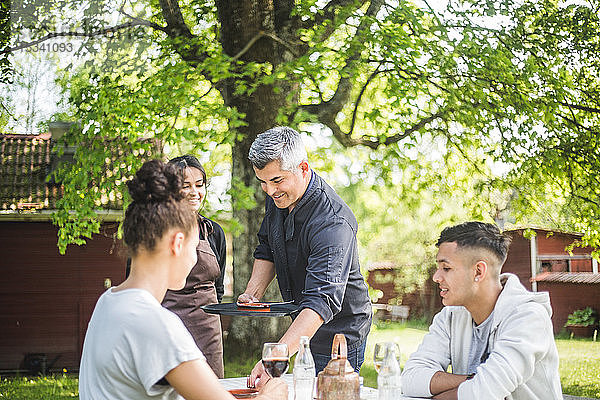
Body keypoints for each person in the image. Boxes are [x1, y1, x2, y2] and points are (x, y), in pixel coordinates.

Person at [79, 160, 286, 400]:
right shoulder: (156, 324)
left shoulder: (108, 303)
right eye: (194, 245)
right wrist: (273, 394)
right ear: (178, 243)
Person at [239, 126, 372, 387]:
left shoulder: (333, 221)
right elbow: (267, 246)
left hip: (339, 333)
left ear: (303, 168)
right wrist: (253, 293)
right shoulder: (278, 197)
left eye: (276, 180)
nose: (269, 190)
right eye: (262, 182)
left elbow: (323, 298)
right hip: (302, 324)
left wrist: (276, 356)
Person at [401, 221, 562, 400]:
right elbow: (410, 379)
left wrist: (444, 391)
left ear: (478, 271)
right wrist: (473, 379)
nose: (436, 277)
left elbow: (483, 393)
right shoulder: (450, 316)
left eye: (446, 268)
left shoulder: (529, 317)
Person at [126, 155, 227, 377]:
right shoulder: (152, 232)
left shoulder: (214, 232)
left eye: (199, 185)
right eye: (186, 186)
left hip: (207, 327)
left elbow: (218, 287)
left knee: (211, 384)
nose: (194, 192)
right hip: (165, 318)